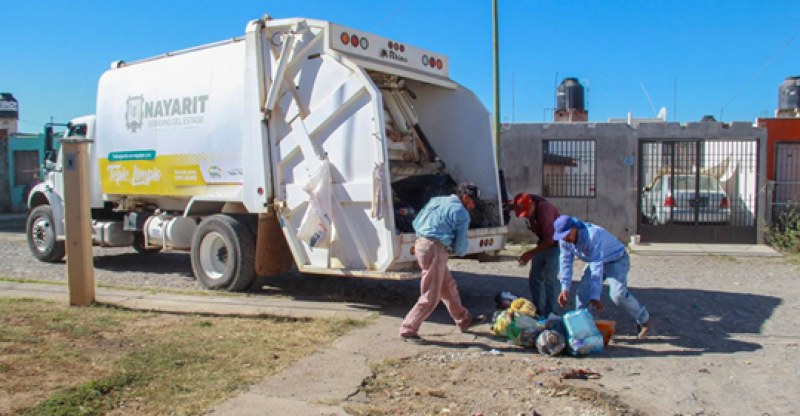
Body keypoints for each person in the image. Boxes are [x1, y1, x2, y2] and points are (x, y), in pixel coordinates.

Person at [399, 182, 486, 343]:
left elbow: (416, 222)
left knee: (448, 287)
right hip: (435, 249)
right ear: (465, 197)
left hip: (421, 244)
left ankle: (464, 319)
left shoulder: (437, 200)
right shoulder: (461, 213)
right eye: (472, 202)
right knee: (431, 295)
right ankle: (408, 329)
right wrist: (456, 247)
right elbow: (460, 248)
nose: (473, 206)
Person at [552, 215, 651, 338]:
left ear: (574, 228)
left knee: (618, 295)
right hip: (597, 261)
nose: (564, 238)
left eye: (566, 234)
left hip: (616, 259)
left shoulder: (592, 235)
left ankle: (644, 320)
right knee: (582, 295)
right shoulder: (564, 241)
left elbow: (596, 267)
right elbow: (565, 262)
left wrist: (595, 296)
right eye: (561, 236)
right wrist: (565, 288)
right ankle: (583, 330)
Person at [510, 192, 561, 317]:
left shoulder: (545, 211)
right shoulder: (529, 206)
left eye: (527, 212)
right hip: (542, 243)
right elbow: (514, 205)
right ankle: (538, 309)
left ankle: (552, 313)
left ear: (532, 204)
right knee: (535, 277)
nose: (526, 215)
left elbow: (550, 240)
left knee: (550, 279)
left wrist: (529, 254)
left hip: (555, 245)